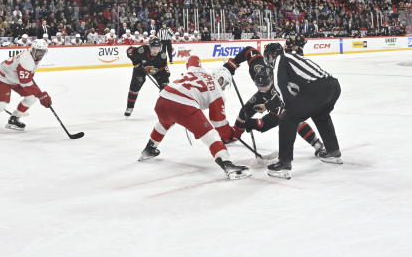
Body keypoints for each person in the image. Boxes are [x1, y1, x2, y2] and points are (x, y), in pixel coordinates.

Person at [138, 57, 250, 180]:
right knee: (211, 135)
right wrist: (233, 133)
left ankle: (150, 148)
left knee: (165, 121)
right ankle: (228, 165)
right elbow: (219, 125)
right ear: (220, 78)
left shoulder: (198, 69)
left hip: (162, 99)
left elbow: (193, 58)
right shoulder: (217, 92)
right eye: (225, 83)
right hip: (184, 106)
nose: (224, 87)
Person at [262, 42, 341, 179]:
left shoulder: (280, 59)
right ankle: (333, 151)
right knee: (321, 115)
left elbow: (280, 86)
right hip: (333, 86)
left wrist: (289, 111)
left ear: (272, 56)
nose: (267, 60)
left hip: (317, 89)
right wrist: (268, 106)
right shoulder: (293, 58)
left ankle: (284, 163)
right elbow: (293, 91)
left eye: (267, 56)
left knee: (287, 119)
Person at [231, 60, 323, 154]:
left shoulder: (280, 87)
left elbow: (277, 115)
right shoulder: (261, 88)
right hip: (277, 105)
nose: (261, 89)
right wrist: (239, 129)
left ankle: (316, 143)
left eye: (265, 85)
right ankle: (234, 134)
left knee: (294, 121)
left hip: (298, 102)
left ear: (271, 80)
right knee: (246, 110)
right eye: (258, 85)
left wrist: (257, 123)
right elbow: (245, 111)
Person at [0, 39, 52, 136]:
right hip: (3, 78)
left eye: (43, 52)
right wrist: (41, 95)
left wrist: (38, 94)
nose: (41, 54)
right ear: (33, 49)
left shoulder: (33, 57)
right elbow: (25, 83)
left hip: (17, 79)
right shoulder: (26, 59)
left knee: (31, 98)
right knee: (0, 105)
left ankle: (14, 119)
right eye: (39, 51)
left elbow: (26, 77)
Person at [124, 37, 170, 116]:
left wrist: (164, 82)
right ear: (149, 47)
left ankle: (167, 108)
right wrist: (135, 61)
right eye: (154, 48)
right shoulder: (142, 50)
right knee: (135, 87)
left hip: (155, 70)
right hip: (140, 69)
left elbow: (164, 70)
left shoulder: (162, 56)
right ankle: (129, 107)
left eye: (158, 48)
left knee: (165, 87)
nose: (156, 50)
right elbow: (129, 51)